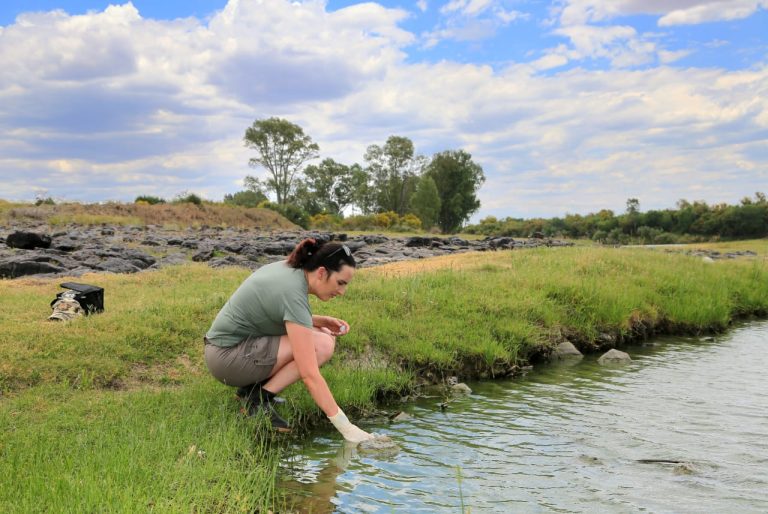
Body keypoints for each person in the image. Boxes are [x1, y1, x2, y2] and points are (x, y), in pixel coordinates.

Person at [203, 238, 374, 443]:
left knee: (323, 335)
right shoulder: (292, 292)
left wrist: (319, 321)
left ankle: (251, 392)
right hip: (227, 360)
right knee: (321, 345)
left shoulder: (289, 270)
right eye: (340, 283)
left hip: (228, 350)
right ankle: (257, 400)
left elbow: (274, 313)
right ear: (321, 272)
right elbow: (310, 375)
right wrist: (347, 429)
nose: (342, 291)